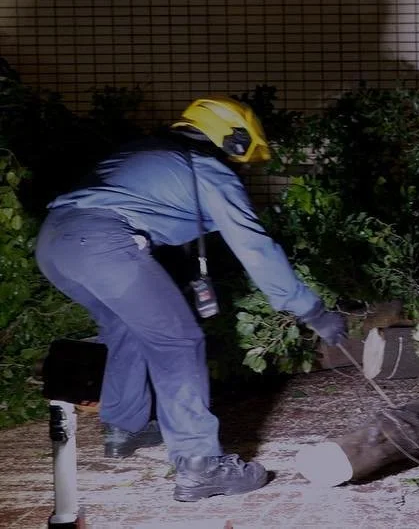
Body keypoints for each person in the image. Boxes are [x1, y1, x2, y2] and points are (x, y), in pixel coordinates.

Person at [35, 98, 348, 502]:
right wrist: (310, 309)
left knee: (124, 327)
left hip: (55, 244)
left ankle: (123, 426)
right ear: (234, 142)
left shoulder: (143, 152)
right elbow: (253, 245)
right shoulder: (206, 168)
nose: (239, 168)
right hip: (102, 243)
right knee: (178, 341)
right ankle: (201, 466)